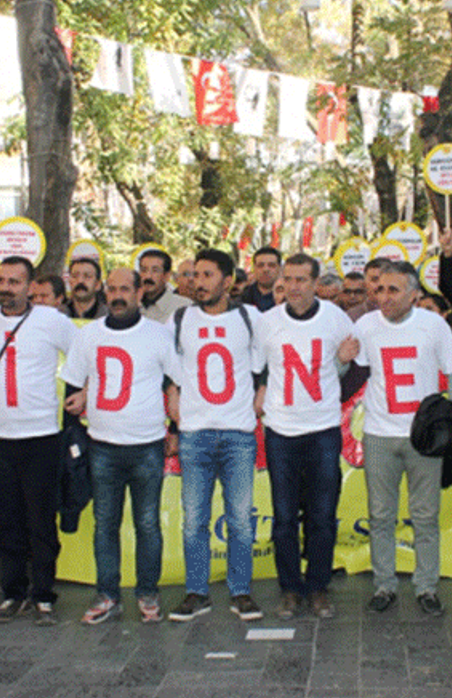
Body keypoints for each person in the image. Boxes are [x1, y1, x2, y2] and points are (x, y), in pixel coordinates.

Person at [0, 256, 77, 626]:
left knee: (41, 519)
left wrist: (83, 393)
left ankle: (43, 594)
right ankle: (13, 592)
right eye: (2, 280)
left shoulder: (52, 321)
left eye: (15, 281)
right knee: (5, 519)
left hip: (42, 434)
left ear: (30, 286)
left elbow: (83, 358)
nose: (7, 287)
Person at [62, 268, 179, 625]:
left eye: (124, 289)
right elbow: (71, 383)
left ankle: (148, 593)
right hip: (102, 445)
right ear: (102, 291)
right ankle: (107, 594)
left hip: (146, 444)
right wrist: (76, 426)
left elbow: (177, 382)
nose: (117, 295)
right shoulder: (89, 335)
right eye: (111, 289)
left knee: (147, 524)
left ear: (139, 292)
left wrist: (175, 427)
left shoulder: (159, 336)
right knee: (104, 524)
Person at [349, 261, 452, 616]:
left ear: (413, 294)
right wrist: (339, 361)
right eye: (379, 289)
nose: (384, 296)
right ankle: (384, 585)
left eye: (393, 290)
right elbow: (350, 372)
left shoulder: (433, 326)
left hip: (423, 436)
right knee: (380, 516)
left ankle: (426, 586)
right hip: (379, 432)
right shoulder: (365, 326)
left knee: (425, 516)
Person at [255, 253, 354, 619]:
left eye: (302, 280)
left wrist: (343, 361)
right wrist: (262, 388)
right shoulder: (267, 323)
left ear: (316, 283)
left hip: (323, 429)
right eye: (289, 279)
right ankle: (290, 588)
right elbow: (255, 367)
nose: (295, 287)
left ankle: (317, 586)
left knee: (323, 515)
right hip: (281, 430)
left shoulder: (335, 317)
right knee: (283, 517)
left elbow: (353, 362)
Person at [171, 249, 264, 623]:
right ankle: (197, 591)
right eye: (195, 275)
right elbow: (168, 368)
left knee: (240, 519)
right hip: (194, 433)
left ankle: (241, 591)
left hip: (238, 433)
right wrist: (172, 402)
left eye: (208, 275)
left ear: (228, 281)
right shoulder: (179, 319)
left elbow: (268, 360)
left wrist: (260, 396)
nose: (199, 282)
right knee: (194, 519)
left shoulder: (250, 317)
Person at [139, 249, 192, 323]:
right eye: (144, 270)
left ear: (167, 276)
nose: (148, 276)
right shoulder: (130, 305)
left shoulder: (184, 308)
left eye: (155, 271)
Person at [240, 246, 281, 312]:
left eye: (271, 265)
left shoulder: (288, 298)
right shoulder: (243, 298)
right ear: (254, 268)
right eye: (260, 265)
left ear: (279, 268)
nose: (265, 269)